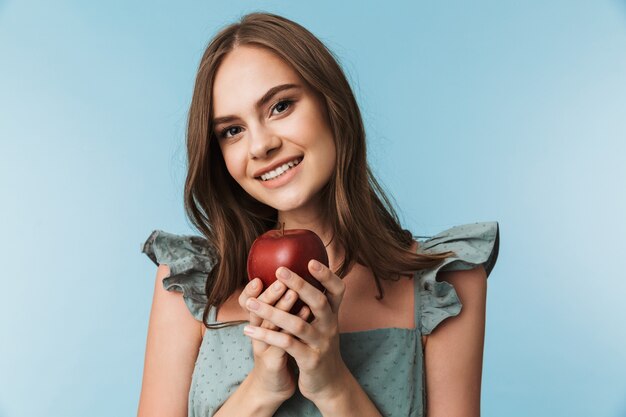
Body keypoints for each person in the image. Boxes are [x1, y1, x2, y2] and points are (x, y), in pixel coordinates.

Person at [137, 11, 500, 417]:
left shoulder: (444, 285)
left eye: (280, 106)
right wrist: (261, 387)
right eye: (232, 130)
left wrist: (332, 383)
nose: (260, 145)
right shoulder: (190, 285)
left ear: (332, 104)